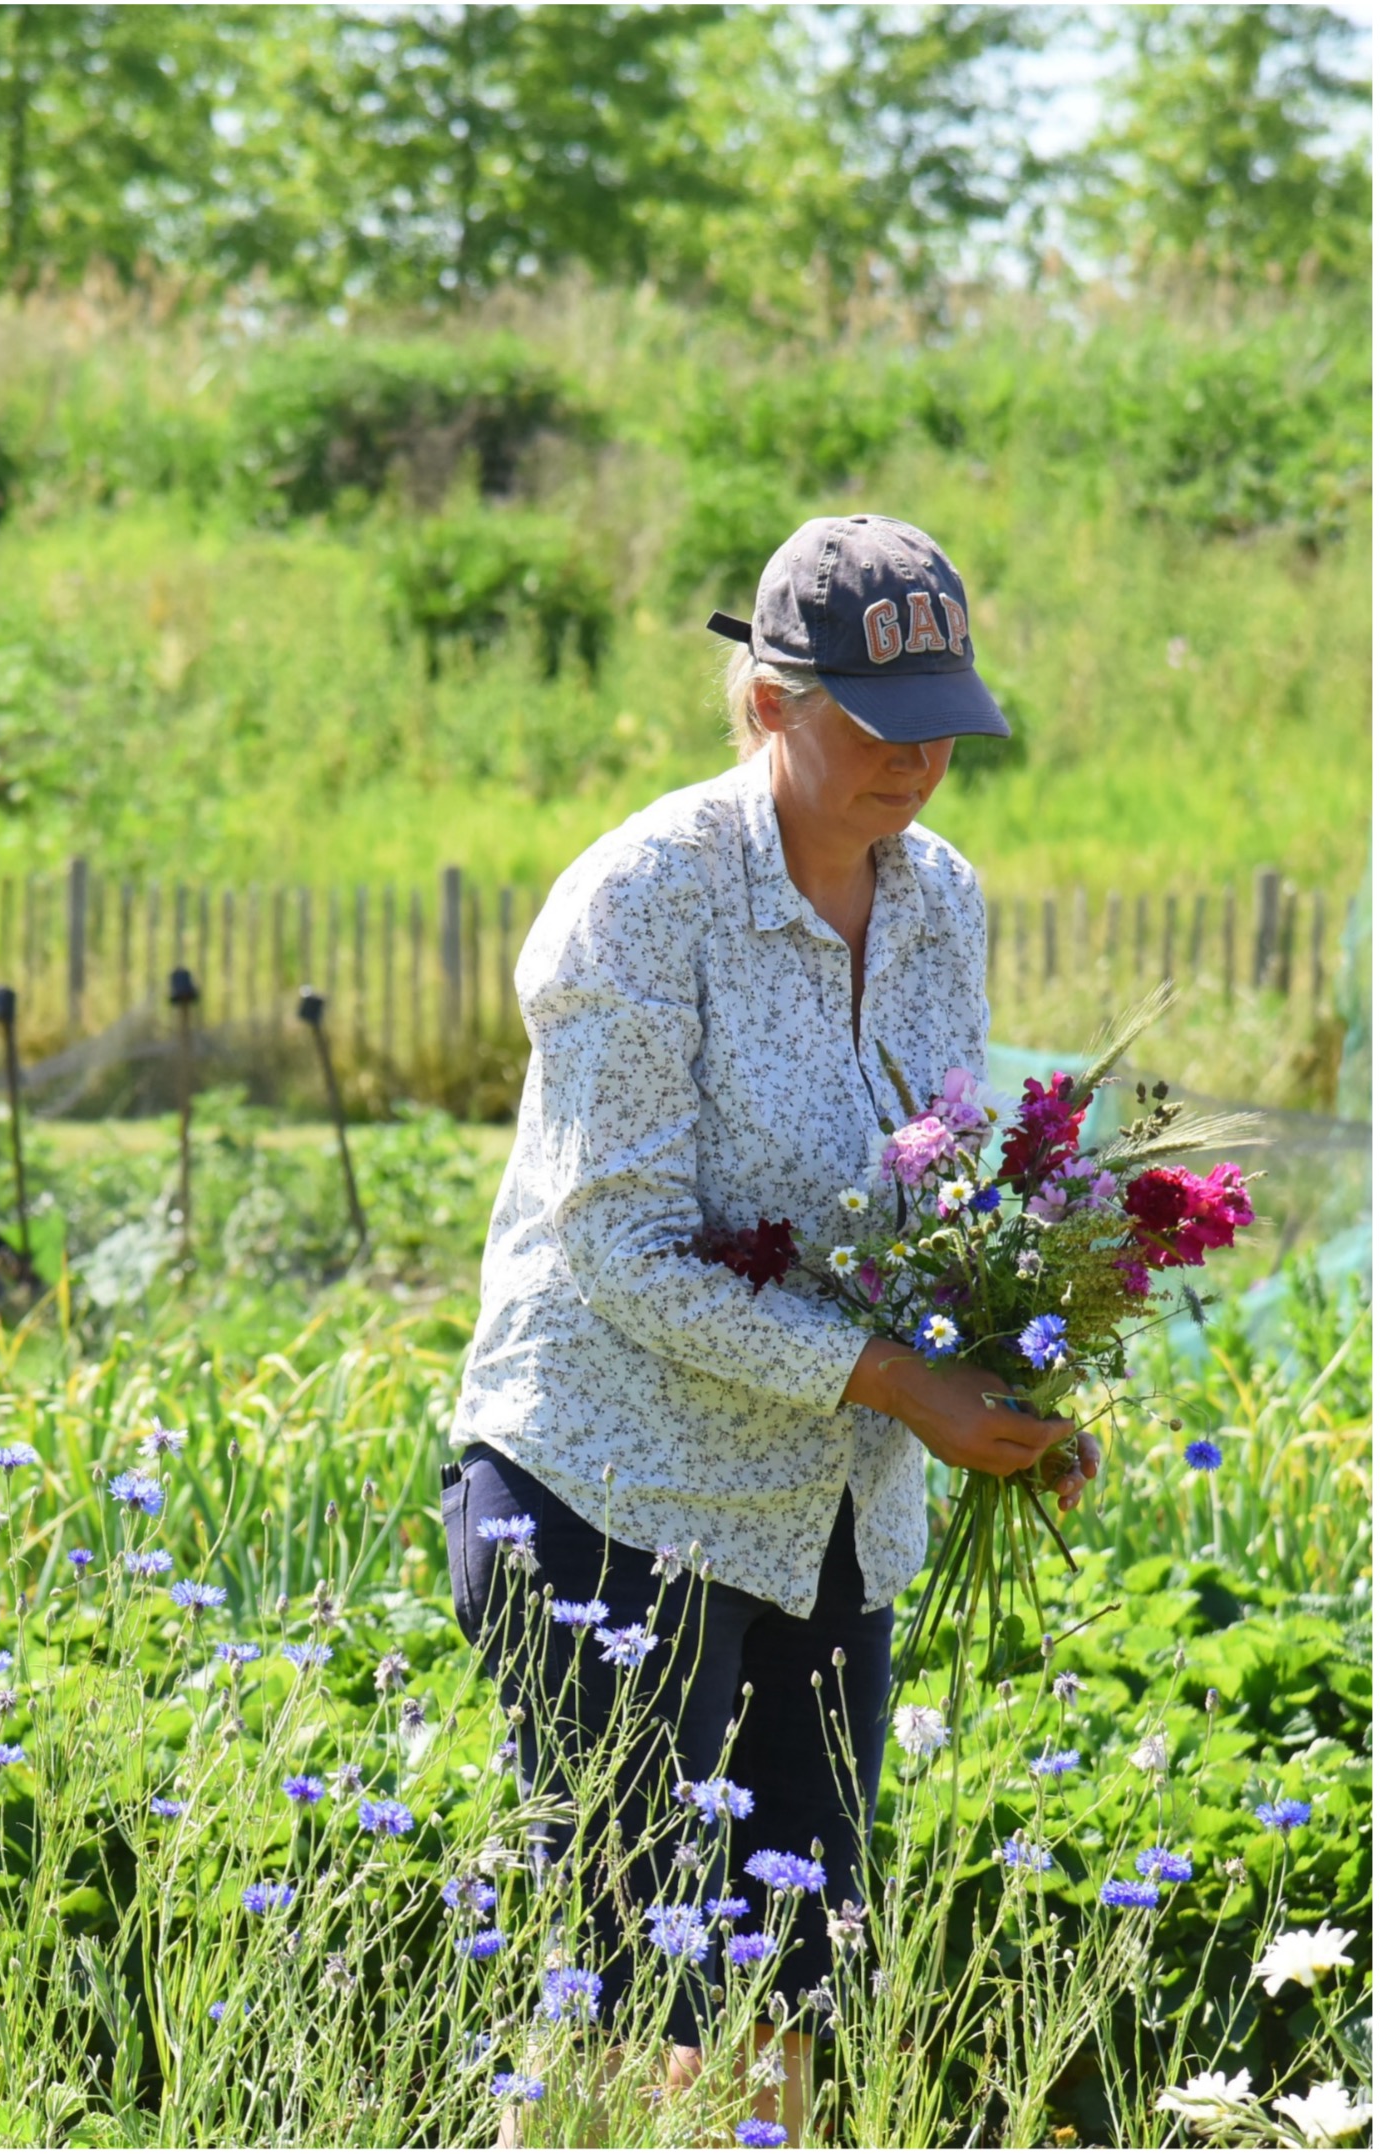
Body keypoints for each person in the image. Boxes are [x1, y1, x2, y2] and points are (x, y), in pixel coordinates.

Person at [444, 514, 1101, 2142]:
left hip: (827, 1513)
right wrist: (904, 1379)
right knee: (620, 1978)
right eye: (878, 723)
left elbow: (937, 1177)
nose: (919, 761)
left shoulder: (941, 899)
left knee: (791, 1973)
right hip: (616, 1496)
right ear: (765, 704)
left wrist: (1018, 1361)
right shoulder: (641, 902)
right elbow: (628, 1251)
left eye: (944, 721)